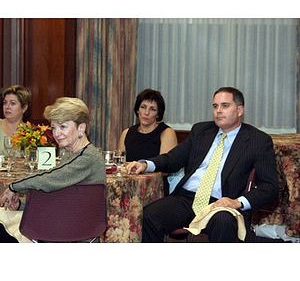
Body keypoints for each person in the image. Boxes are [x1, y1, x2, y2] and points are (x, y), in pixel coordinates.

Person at [127, 87, 279, 242]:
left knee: (223, 222)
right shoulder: (201, 131)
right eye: (215, 106)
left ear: (239, 110)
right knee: (149, 216)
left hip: (221, 203)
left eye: (225, 106)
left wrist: (237, 202)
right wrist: (146, 164)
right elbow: (173, 158)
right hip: (187, 199)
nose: (218, 111)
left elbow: (270, 187)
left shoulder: (257, 140)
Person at [0, 97, 106, 243]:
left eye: (63, 127)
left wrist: (14, 186)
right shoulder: (74, 155)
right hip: (62, 225)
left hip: (69, 234)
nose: (56, 134)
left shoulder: (87, 157)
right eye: (54, 127)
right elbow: (59, 199)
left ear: (81, 128)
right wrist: (20, 205)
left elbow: (50, 178)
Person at [118, 88, 178, 162]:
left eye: (152, 109)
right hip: (128, 173)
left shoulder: (167, 133)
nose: (146, 113)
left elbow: (165, 166)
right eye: (143, 107)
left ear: (158, 114)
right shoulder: (126, 133)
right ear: (137, 110)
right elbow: (120, 165)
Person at [0, 85, 32, 152]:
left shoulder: (31, 132)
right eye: (5, 103)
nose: (7, 107)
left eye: (12, 103)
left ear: (24, 108)